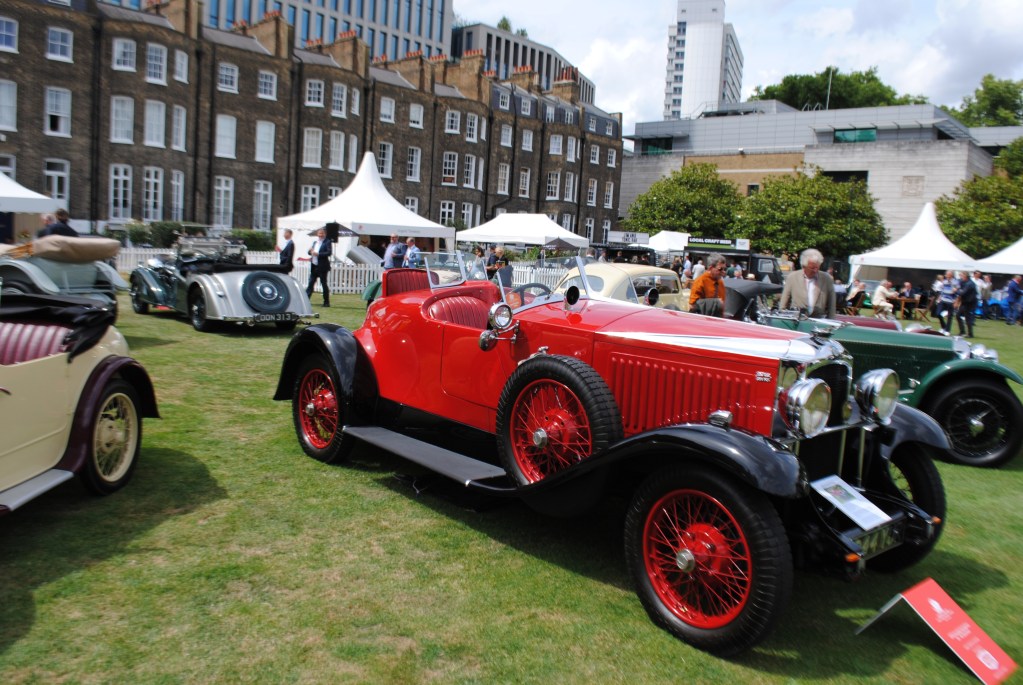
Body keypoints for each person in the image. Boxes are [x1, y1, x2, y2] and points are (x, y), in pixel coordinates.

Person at [778, 248, 836, 318]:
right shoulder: (792, 277)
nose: (815, 270)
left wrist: (831, 320)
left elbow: (832, 305)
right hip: (797, 319)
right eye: (812, 268)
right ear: (804, 266)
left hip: (818, 320)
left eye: (817, 267)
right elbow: (783, 304)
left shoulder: (827, 279)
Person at [306, 227, 332, 307]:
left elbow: (329, 253)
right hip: (314, 266)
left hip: (322, 267)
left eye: (322, 233)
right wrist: (310, 251)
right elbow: (310, 253)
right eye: (319, 233)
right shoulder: (315, 242)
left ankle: (326, 302)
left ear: (325, 234)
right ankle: (306, 301)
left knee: (323, 284)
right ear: (317, 234)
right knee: (310, 283)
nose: (321, 235)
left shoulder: (327, 242)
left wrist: (318, 254)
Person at [955, 270, 977, 337]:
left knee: (967, 318)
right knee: (958, 315)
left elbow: (963, 292)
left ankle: (970, 334)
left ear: (965, 276)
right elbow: (959, 286)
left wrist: (956, 291)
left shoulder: (970, 284)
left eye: (961, 275)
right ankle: (962, 331)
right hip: (964, 302)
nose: (960, 277)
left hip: (970, 302)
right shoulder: (963, 282)